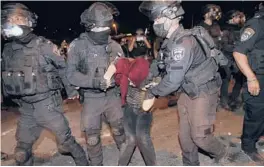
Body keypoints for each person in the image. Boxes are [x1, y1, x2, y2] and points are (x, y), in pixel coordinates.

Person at [139, 1, 240, 165]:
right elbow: (158, 63)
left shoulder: (183, 43)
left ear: (171, 17)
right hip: (187, 91)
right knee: (185, 139)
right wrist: (148, 79)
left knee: (200, 137)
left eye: (157, 19)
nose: (155, 23)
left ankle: (223, 152)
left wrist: (152, 92)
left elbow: (172, 82)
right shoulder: (169, 41)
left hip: (203, 92)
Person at [1, 3, 88, 165]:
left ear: (28, 22)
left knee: (67, 142)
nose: (11, 23)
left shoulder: (42, 45)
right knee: (21, 152)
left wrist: (70, 90)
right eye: (9, 20)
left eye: (17, 19)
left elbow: (63, 67)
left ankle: (84, 163)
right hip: (25, 108)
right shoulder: (8, 49)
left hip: (47, 104)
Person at [66, 2, 126, 165]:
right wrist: (94, 82)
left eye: (105, 28)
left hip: (112, 96)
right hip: (91, 98)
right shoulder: (78, 46)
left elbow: (123, 69)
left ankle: (126, 159)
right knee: (92, 137)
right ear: (89, 26)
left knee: (119, 130)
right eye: (98, 29)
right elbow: (71, 75)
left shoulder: (114, 46)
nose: (102, 32)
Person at [233, 2, 264, 164]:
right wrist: (251, 78)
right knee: (256, 113)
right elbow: (239, 53)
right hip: (257, 76)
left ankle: (260, 135)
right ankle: (248, 145)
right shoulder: (257, 23)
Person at [221, 10, 246, 111]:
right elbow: (225, 46)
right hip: (227, 59)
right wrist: (237, 47)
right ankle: (224, 101)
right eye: (238, 17)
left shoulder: (242, 30)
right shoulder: (226, 30)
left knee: (240, 80)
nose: (240, 19)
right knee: (226, 81)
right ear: (232, 18)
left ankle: (234, 98)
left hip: (238, 58)